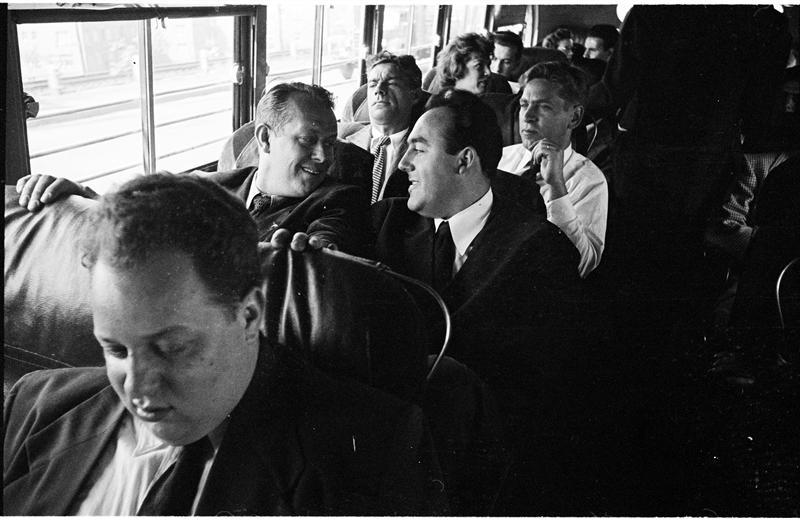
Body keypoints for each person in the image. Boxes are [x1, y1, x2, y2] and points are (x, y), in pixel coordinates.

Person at [3, 174, 445, 515]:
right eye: (116, 349)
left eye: (172, 348)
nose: (137, 388)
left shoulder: (373, 455)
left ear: (249, 315)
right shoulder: (35, 405)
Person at [16, 83, 370, 255]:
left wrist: (316, 252)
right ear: (265, 138)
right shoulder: (212, 185)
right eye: (308, 141)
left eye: (330, 142)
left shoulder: (340, 200)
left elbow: (330, 239)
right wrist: (79, 197)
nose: (323, 156)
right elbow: (141, 208)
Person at [498, 61, 608, 278]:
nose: (527, 116)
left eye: (544, 107)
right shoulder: (500, 159)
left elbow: (582, 264)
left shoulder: (589, 181)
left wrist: (557, 187)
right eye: (524, 104)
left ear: (574, 117)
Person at [343, 51, 423, 202]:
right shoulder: (344, 142)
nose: (379, 90)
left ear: (414, 95)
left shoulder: (426, 150)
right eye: (373, 84)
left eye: (391, 83)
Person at [430, 32, 512, 95]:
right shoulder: (443, 108)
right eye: (479, 66)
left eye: (488, 65)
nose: (488, 72)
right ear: (457, 68)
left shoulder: (499, 88)